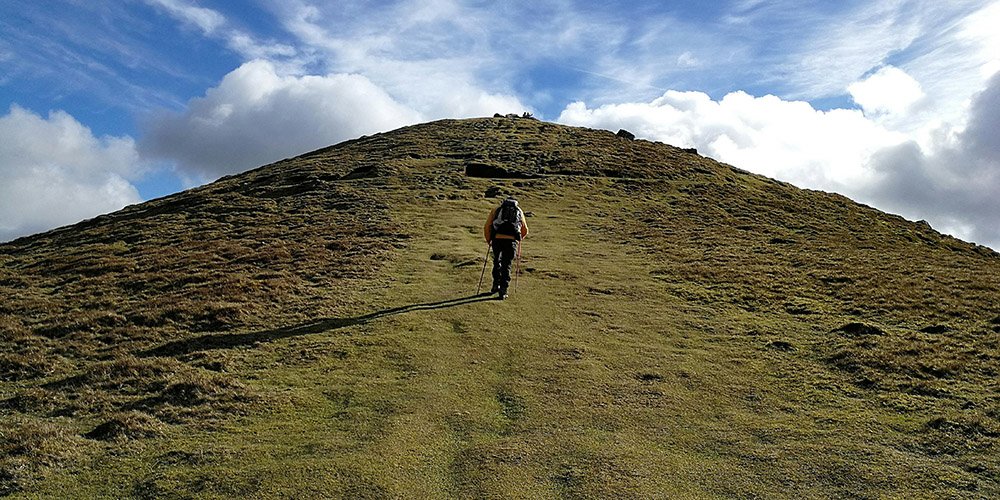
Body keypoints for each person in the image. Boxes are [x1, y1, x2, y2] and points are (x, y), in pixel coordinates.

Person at [483, 197, 529, 299]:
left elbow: (487, 226)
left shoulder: (496, 209)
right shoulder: (519, 211)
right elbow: (525, 229)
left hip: (497, 239)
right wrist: (519, 238)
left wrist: (489, 240)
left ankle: (495, 285)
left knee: (497, 261)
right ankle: (503, 291)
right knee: (506, 264)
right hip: (511, 241)